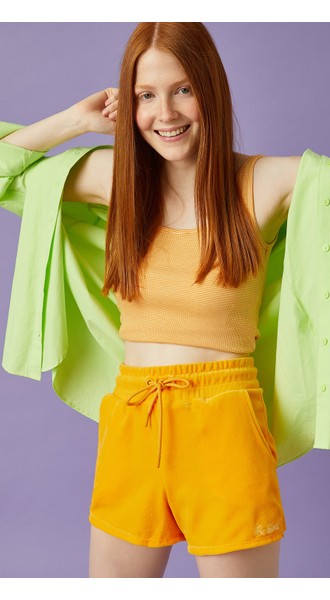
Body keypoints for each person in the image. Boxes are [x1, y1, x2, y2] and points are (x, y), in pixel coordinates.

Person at [1, 22, 300, 578]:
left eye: (183, 89)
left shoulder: (269, 181)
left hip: (224, 423)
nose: (166, 113)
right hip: (132, 417)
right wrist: (75, 121)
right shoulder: (115, 179)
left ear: (212, 90)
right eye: (145, 95)